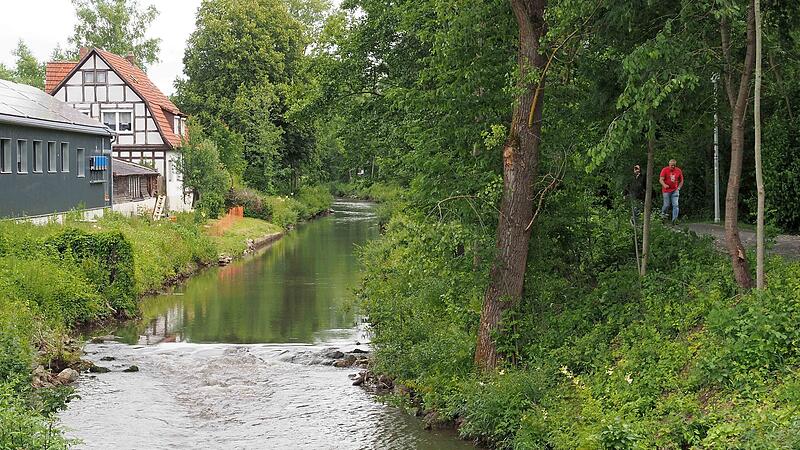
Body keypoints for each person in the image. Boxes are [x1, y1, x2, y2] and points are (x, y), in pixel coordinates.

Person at [659, 159, 684, 224]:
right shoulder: (665, 170)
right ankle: (663, 218)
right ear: (669, 165)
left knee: (676, 205)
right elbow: (661, 180)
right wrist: (664, 185)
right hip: (666, 190)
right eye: (671, 165)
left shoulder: (678, 170)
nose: (673, 166)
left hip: (675, 190)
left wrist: (678, 188)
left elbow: (681, 181)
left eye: (674, 165)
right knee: (666, 205)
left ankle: (674, 221)